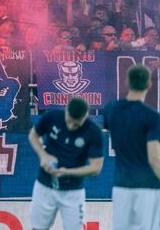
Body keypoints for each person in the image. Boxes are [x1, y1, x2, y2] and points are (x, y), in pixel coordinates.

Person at [105, 65, 160, 230]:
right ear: (149, 84)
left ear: (126, 82)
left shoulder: (111, 109)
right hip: (148, 186)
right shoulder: (151, 116)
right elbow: (154, 159)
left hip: (122, 184)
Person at [28, 98, 104, 230]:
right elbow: (33, 135)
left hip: (73, 191)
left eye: (76, 124)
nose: (71, 127)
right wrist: (43, 155)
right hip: (44, 185)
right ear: (66, 110)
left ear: (85, 116)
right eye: (69, 122)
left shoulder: (93, 132)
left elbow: (96, 168)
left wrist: (67, 172)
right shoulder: (51, 117)